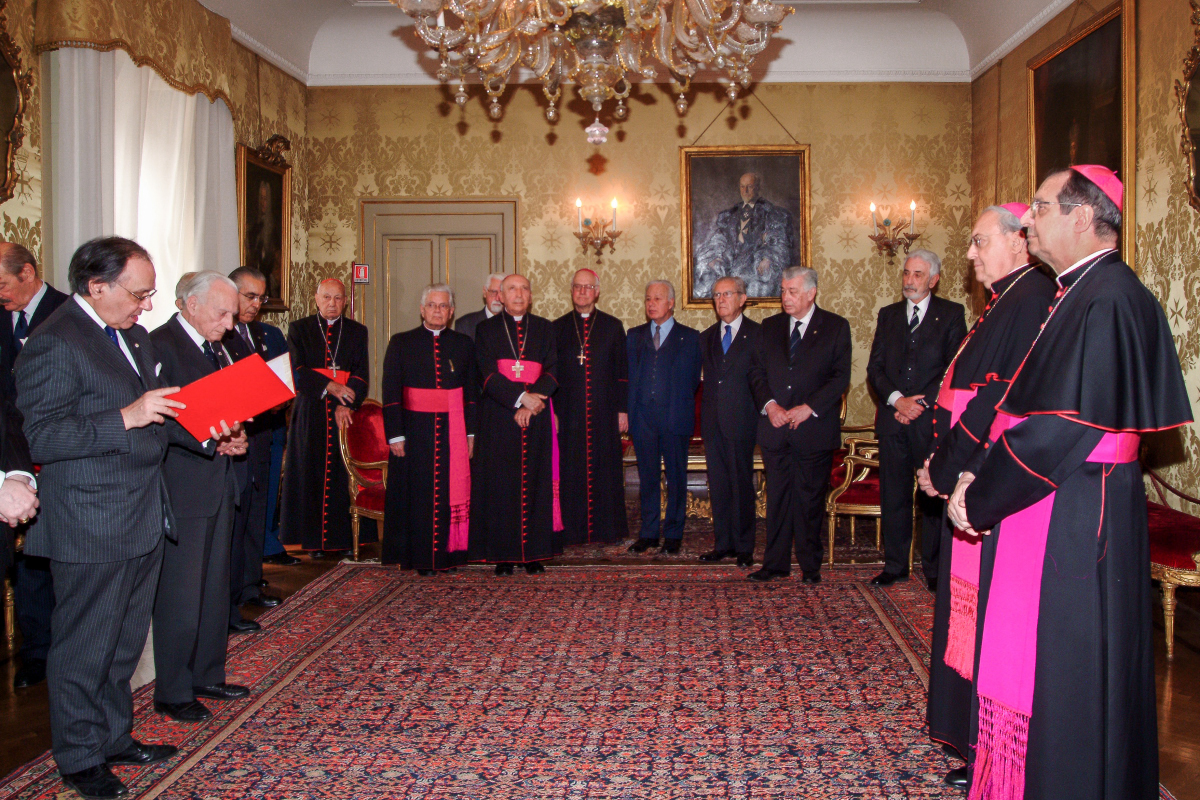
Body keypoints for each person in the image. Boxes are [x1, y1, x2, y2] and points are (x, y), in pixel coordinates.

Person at [949, 166, 1191, 800]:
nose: (1028, 220)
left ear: (1083, 217)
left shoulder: (1105, 297)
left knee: (1070, 664)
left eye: (1040, 207)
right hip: (1070, 501)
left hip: (1078, 514)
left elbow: (1057, 430)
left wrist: (977, 493)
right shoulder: (1079, 292)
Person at [16, 237, 186, 799]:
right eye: (139, 293)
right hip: (89, 520)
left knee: (123, 641)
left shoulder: (129, 335)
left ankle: (114, 737)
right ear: (97, 286)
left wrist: (209, 429)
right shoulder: (54, 342)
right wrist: (127, 416)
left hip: (139, 510)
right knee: (84, 645)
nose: (147, 305)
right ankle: (79, 756)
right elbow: (44, 436)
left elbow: (155, 412)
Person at [914, 204, 1056, 787]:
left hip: (980, 478)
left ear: (1018, 244)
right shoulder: (1008, 302)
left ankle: (987, 751)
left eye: (978, 242)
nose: (969, 255)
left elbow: (992, 403)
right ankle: (974, 743)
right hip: (963, 469)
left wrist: (946, 470)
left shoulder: (1026, 301)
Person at [150, 272, 250, 724]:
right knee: (181, 593)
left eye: (233, 313)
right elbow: (163, 418)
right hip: (182, 484)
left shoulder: (220, 347)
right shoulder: (160, 345)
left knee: (214, 588)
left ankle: (208, 672)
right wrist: (212, 441)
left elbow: (224, 407)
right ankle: (172, 688)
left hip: (218, 480)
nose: (230, 323)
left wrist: (234, 437)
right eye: (222, 312)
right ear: (191, 305)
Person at [866, 250, 966, 589]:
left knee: (932, 497)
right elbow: (875, 369)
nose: (909, 280)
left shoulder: (951, 314)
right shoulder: (888, 315)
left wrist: (918, 404)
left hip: (930, 422)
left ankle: (935, 571)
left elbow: (953, 369)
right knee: (893, 496)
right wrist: (897, 401)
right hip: (894, 420)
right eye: (907, 273)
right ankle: (894, 565)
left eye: (918, 275)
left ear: (934, 280)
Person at [748, 267, 851, 583]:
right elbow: (756, 374)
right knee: (777, 498)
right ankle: (774, 564)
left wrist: (810, 408)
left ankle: (810, 566)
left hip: (813, 430)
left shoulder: (834, 327)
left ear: (811, 293)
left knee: (809, 500)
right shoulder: (770, 327)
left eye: (792, 291)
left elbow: (840, 378)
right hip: (775, 429)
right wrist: (771, 406)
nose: (785, 297)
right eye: (782, 291)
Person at [0, 242, 69, 690]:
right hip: (9, 452)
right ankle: (36, 649)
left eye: (3, 284)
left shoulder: (68, 313)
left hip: (57, 449)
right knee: (23, 559)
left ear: (27, 273)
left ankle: (65, 648)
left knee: (53, 553)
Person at [381, 284, 478, 572]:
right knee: (418, 493)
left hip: (453, 430)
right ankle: (419, 557)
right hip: (414, 431)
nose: (439, 311)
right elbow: (391, 392)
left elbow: (471, 393)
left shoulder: (463, 344)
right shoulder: (401, 342)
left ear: (451, 311)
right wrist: (395, 434)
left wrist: (471, 433)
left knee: (450, 491)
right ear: (422, 309)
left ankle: (450, 555)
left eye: (444, 306)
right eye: (433, 305)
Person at [468, 274, 561, 574]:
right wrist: (521, 398)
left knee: (536, 482)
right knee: (501, 486)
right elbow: (487, 375)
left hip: (536, 416)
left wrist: (533, 402)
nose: (519, 294)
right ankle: (504, 555)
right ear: (500, 297)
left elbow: (554, 372)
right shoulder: (485, 330)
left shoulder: (546, 328)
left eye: (524, 289)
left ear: (531, 296)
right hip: (499, 417)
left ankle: (533, 553)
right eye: (512, 289)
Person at [280, 278, 370, 557]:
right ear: (316, 299)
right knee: (312, 472)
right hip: (311, 410)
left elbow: (361, 373)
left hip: (345, 411)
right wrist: (328, 386)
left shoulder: (356, 331)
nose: (333, 304)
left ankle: (344, 540)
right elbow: (296, 369)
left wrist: (349, 403)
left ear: (345, 301)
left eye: (339, 298)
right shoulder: (299, 329)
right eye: (327, 298)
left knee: (343, 474)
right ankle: (315, 542)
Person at [222, 266, 285, 633]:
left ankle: (249, 583)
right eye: (250, 296)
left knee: (257, 509)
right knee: (238, 513)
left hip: (262, 432)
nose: (256, 304)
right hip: (234, 435)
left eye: (261, 298)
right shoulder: (223, 333)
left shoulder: (264, 333)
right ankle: (231, 593)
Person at [551, 269, 629, 545]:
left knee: (604, 468)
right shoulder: (557, 328)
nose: (582, 292)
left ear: (597, 291)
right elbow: (550, 373)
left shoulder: (612, 326)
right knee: (569, 470)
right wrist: (553, 412)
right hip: (567, 412)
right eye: (577, 287)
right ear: (571, 291)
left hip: (603, 411)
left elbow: (622, 372)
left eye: (588, 287)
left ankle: (607, 530)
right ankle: (571, 530)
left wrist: (622, 410)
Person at [626, 280, 701, 554]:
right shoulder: (634, 336)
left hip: (675, 418)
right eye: (648, 298)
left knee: (676, 478)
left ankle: (673, 534)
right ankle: (648, 533)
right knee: (647, 478)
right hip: (643, 419)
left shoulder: (691, 337)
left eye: (657, 298)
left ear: (670, 303)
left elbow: (693, 380)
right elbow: (631, 377)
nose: (651, 303)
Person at [698, 276, 761, 568]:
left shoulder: (758, 335)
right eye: (716, 295)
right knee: (719, 485)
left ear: (742, 298)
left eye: (727, 294)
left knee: (741, 485)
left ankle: (745, 546)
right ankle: (722, 544)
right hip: (712, 424)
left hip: (742, 421)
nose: (721, 300)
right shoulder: (707, 336)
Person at [694, 172, 797, 298]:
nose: (745, 191)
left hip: (753, 269)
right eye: (742, 187)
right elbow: (718, 239)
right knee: (704, 283)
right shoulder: (729, 216)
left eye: (750, 186)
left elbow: (777, 242)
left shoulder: (772, 214)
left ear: (758, 188)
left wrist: (767, 258)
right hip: (728, 266)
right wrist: (714, 256)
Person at [455, 272, 510, 340]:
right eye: (493, 292)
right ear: (484, 292)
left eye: (502, 293)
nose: (497, 298)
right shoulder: (465, 324)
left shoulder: (514, 323)